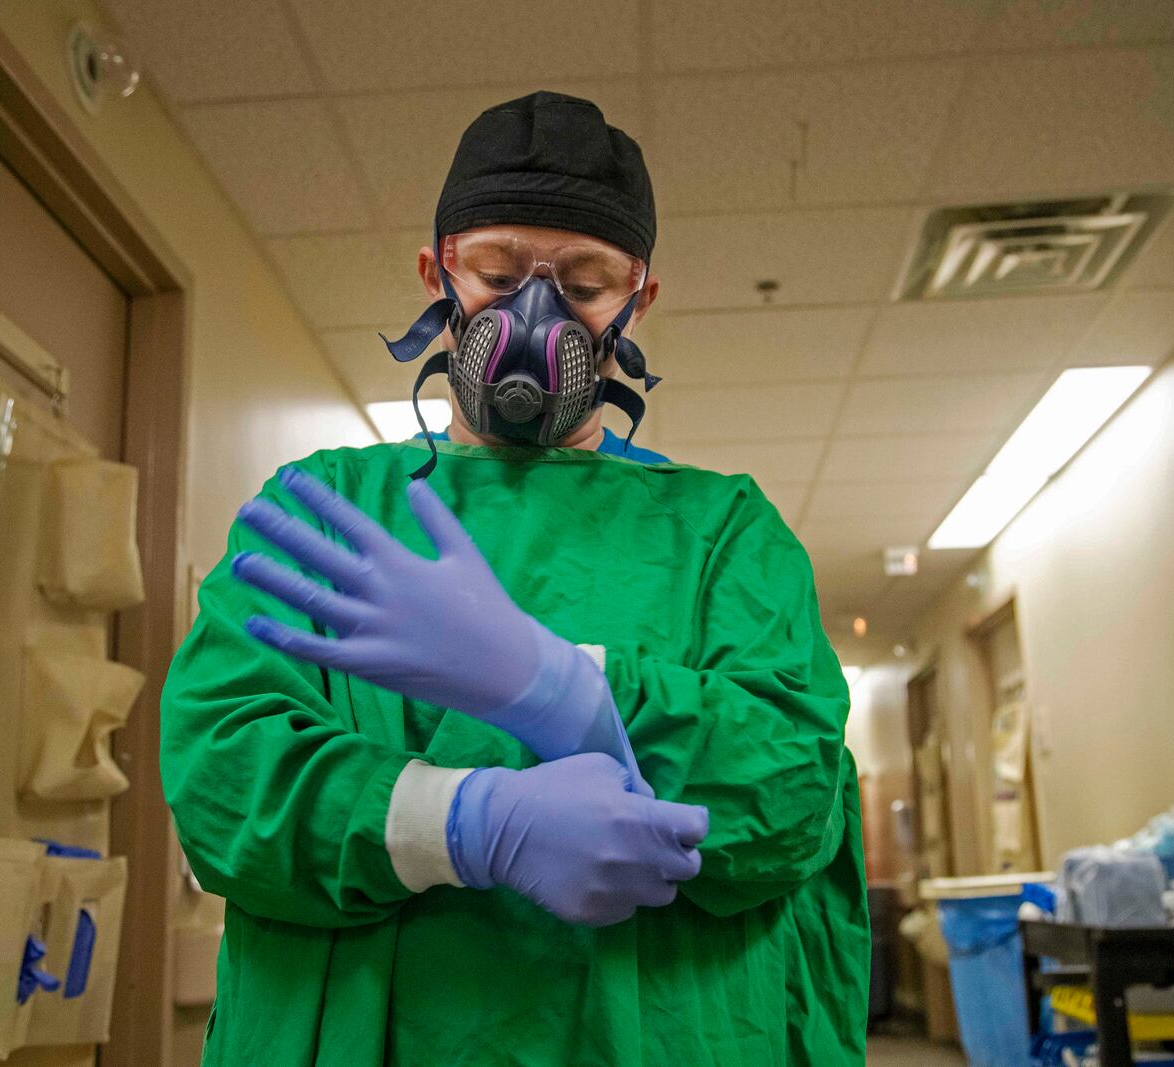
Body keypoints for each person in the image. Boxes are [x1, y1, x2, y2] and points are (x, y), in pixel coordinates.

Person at [160, 91, 868, 1066]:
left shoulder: (720, 532)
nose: (537, 313)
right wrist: (461, 822)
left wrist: (564, 684)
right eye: (497, 272)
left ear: (639, 298)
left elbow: (793, 792)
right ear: (436, 270)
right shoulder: (327, 509)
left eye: (584, 282)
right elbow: (220, 772)